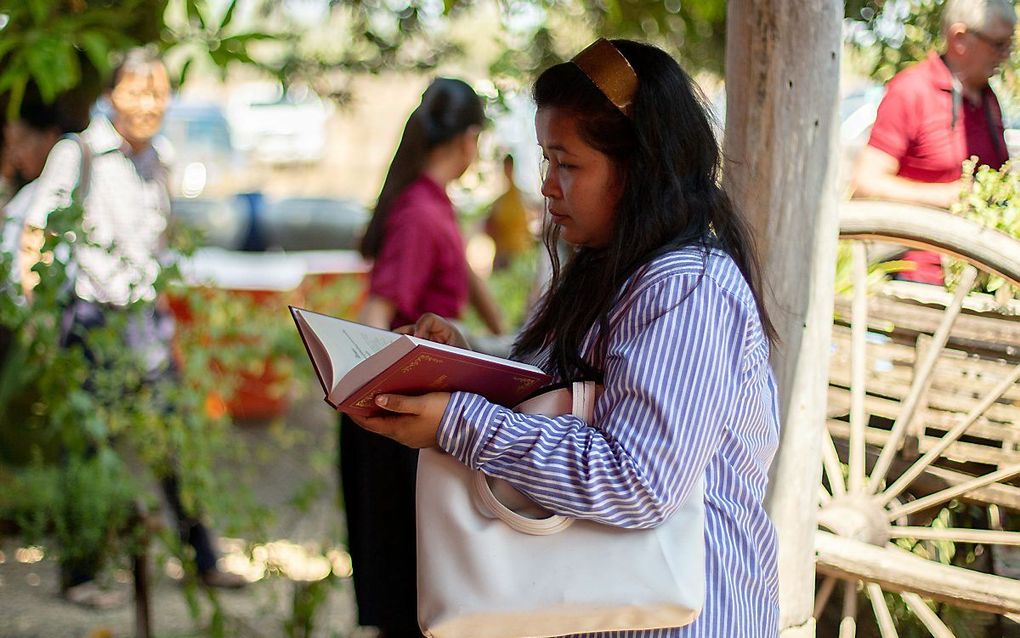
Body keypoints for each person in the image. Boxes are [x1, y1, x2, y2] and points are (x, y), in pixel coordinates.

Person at [348, 39, 780, 637]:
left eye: (567, 164)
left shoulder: (688, 289)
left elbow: (638, 481)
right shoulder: (615, 268)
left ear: (639, 167)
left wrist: (458, 424)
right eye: (547, 161)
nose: (548, 186)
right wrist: (465, 354)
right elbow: (563, 386)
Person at [22, 48, 245, 607]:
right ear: (110, 94)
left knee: (173, 443)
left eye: (158, 93)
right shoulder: (78, 156)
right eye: (136, 91)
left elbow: (155, 247)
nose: (148, 104)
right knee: (89, 450)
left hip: (145, 321)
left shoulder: (159, 162)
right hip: (91, 320)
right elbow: (35, 236)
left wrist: (165, 314)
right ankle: (82, 574)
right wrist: (38, 320)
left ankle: (203, 558)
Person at [339, 77, 504, 638]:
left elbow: (469, 283)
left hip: (421, 408)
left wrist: (510, 342)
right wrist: (366, 395)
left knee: (426, 584)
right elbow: (375, 314)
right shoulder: (418, 211)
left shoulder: (433, 203)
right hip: (398, 411)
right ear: (469, 140)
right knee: (409, 592)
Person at [851, 0, 1015, 283]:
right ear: (959, 38)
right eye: (998, 45)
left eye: (1009, 45)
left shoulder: (988, 99)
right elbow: (866, 182)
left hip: (976, 274)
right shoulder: (911, 91)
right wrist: (948, 196)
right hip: (916, 275)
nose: (1005, 56)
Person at [484, 153, 533, 270]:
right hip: (503, 257)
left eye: (509, 167)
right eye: (505, 167)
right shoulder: (499, 202)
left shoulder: (522, 197)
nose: (507, 170)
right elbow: (489, 228)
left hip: (522, 255)